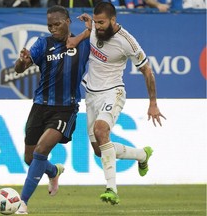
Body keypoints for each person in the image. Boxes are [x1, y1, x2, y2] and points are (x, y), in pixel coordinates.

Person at [67, 1, 166, 205]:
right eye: (96, 22)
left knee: (102, 130)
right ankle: (141, 155)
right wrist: (78, 38)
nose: (98, 26)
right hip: (91, 93)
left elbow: (147, 70)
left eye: (102, 22)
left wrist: (153, 103)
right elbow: (90, 32)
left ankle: (111, 189)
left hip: (113, 92)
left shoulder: (127, 41)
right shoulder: (95, 28)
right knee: (98, 149)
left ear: (113, 19)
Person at [14, 5, 90, 214]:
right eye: (49, 25)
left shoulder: (83, 44)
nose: (53, 29)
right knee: (29, 158)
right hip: (40, 106)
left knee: (40, 151)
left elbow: (103, 29)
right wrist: (22, 61)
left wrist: (88, 28)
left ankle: (23, 202)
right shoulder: (42, 43)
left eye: (57, 24)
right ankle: (53, 170)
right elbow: (20, 68)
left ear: (67, 21)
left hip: (65, 109)